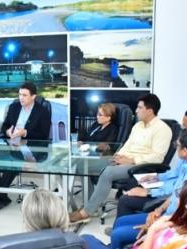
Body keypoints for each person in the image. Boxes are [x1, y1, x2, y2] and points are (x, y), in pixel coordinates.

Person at [110, 121, 187, 249]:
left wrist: (154, 225)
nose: (175, 147)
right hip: (166, 215)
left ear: (185, 150)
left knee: (117, 234)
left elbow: (186, 218)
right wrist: (158, 209)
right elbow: (175, 189)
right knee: (120, 222)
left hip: (173, 225)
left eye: (176, 145)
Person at [69, 94, 172, 224]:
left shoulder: (162, 129)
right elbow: (127, 145)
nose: (136, 110)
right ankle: (92, 204)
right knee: (84, 165)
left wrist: (131, 160)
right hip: (125, 160)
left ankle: (86, 212)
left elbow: (157, 157)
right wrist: (118, 156)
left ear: (150, 111)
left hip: (140, 167)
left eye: (139, 108)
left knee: (108, 172)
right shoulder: (138, 126)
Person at [0, 82, 51, 212]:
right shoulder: (14, 107)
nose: (21, 98)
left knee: (13, 163)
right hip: (12, 143)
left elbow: (43, 134)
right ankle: (0, 195)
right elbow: (5, 126)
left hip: (31, 147)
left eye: (24, 95)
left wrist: (25, 132)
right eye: (20, 94)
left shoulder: (42, 111)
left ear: (33, 96)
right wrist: (8, 131)